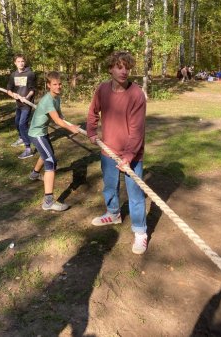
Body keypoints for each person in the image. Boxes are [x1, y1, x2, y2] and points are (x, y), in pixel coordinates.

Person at [87, 51, 148, 255]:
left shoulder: (136, 95)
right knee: (109, 186)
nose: (124, 71)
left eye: (127, 67)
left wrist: (128, 157)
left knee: (136, 194)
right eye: (119, 67)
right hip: (108, 150)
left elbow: (137, 130)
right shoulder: (102, 89)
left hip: (132, 155)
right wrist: (91, 130)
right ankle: (113, 213)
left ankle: (140, 232)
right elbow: (93, 111)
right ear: (110, 68)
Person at [28, 71, 79, 211]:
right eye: (55, 84)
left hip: (41, 132)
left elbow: (59, 115)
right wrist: (70, 128)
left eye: (60, 84)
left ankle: (34, 174)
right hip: (36, 133)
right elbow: (56, 121)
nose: (58, 86)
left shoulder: (56, 98)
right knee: (50, 160)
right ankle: (48, 202)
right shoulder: (48, 100)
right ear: (48, 85)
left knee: (47, 154)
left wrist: (71, 124)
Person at [7, 54, 37, 159]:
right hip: (18, 104)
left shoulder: (30, 74)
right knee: (17, 122)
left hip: (26, 104)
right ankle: (21, 138)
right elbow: (9, 89)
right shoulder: (13, 75)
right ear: (15, 63)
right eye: (19, 61)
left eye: (23, 61)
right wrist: (13, 95)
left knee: (22, 124)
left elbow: (33, 90)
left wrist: (26, 97)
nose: (21, 63)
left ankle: (28, 149)